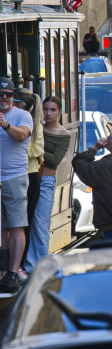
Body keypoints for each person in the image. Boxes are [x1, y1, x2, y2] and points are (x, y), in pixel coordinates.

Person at [25, 96, 70, 275]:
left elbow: (54, 160)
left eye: (52, 110)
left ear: (60, 111)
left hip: (46, 181)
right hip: (29, 178)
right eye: (45, 109)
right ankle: (28, 265)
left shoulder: (63, 134)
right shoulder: (36, 128)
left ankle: (42, 268)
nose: (48, 113)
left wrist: (36, 148)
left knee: (41, 223)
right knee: (26, 223)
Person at [0, 78, 33, 292]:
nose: (4, 97)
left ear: (14, 97)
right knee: (1, 228)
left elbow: (21, 136)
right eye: (0, 93)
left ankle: (13, 270)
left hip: (14, 176)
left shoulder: (23, 115)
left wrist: (5, 124)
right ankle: (3, 270)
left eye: (8, 94)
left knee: (16, 225)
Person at [13, 89, 43, 270]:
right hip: (14, 174)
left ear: (21, 105)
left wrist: (16, 146)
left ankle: (21, 265)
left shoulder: (35, 124)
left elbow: (37, 151)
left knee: (25, 223)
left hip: (30, 176)